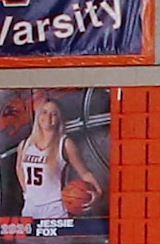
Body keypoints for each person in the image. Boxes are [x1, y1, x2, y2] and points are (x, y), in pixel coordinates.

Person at [13, 92, 104, 228]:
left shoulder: (65, 143)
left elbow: (84, 173)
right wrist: (27, 193)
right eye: (44, 112)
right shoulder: (25, 144)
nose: (48, 117)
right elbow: (19, 168)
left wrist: (97, 191)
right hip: (30, 207)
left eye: (54, 114)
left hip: (54, 208)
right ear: (38, 116)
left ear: (59, 119)